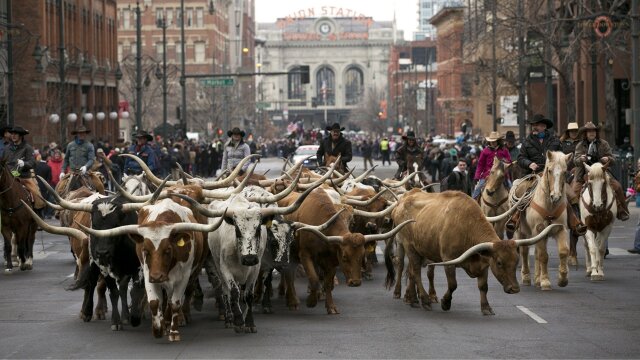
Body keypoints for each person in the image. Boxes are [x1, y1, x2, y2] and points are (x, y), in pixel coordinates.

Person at [507, 114, 586, 235]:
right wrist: (529, 164)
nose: (534, 127)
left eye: (537, 125)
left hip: (554, 175)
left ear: (543, 126)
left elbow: (563, 157)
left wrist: (566, 167)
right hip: (533, 174)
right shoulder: (527, 142)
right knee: (522, 192)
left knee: (571, 195)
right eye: (534, 125)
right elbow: (520, 157)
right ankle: (515, 218)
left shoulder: (555, 141)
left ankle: (576, 222)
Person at [573, 122, 630, 221]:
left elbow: (613, 160)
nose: (592, 133)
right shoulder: (580, 145)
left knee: (618, 187)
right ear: (585, 133)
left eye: (594, 131)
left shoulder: (604, 143)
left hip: (602, 172)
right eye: (589, 131)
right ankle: (575, 217)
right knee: (574, 192)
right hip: (585, 172)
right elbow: (575, 160)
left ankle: (622, 211)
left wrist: (607, 159)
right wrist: (581, 159)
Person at [0, 126, 45, 209]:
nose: (13, 136)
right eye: (12, 134)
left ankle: (38, 214)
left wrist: (24, 163)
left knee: (37, 196)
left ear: (21, 136)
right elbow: (3, 162)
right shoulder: (7, 148)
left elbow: (32, 163)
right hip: (8, 177)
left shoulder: (28, 148)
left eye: (15, 134)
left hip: (23, 178)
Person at [471, 131, 512, 199]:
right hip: (487, 175)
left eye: (494, 141)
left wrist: (505, 161)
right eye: (491, 141)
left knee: (511, 187)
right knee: (477, 190)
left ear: (498, 141)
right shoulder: (485, 151)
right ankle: (473, 203)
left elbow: (509, 162)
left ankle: (514, 205)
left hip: (501, 175)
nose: (492, 142)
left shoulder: (504, 150)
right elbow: (480, 165)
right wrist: (477, 176)